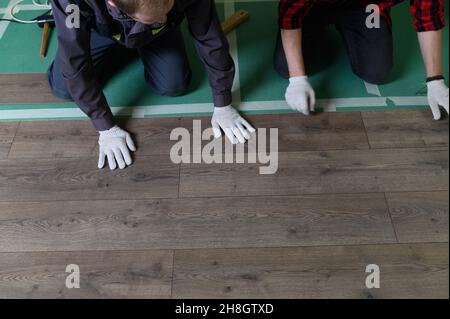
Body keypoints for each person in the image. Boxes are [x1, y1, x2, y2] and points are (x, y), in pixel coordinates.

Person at [48, 0, 255, 170]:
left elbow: (210, 39)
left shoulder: (162, 16)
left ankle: (140, 39)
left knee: (174, 84)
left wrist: (223, 101)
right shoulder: (71, 3)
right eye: (157, 14)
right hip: (99, 29)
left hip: (157, 31)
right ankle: (126, 44)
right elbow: (75, 64)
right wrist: (105, 127)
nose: (163, 15)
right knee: (64, 88)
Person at [274, 0, 449, 119]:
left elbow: (428, 14)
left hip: (366, 8)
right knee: (285, 67)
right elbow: (291, 13)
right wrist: (297, 78)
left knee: (376, 72)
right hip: (313, 7)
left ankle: (353, 30)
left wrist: (435, 80)